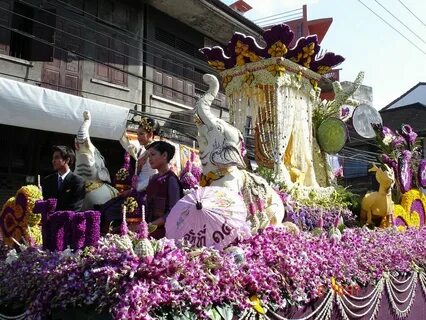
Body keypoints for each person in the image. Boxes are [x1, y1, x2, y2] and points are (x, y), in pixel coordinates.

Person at [145, 140, 183, 239]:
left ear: (164, 155)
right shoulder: (153, 178)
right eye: (149, 156)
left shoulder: (171, 180)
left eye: (153, 155)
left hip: (164, 233)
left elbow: (173, 212)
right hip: (148, 227)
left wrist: (149, 226)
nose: (150, 159)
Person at [42, 145, 86, 211]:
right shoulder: (48, 180)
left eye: (56, 158)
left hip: (66, 220)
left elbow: (75, 207)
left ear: (67, 160)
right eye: (53, 158)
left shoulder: (78, 182)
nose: (53, 161)